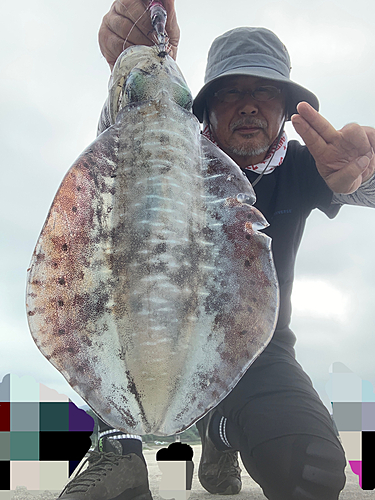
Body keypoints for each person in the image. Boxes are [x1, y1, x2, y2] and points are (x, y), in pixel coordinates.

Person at [58, 1, 375, 499]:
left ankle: (219, 432)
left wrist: (371, 172)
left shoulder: (307, 164)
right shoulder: (165, 151)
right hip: (143, 323)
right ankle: (116, 451)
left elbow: (360, 188)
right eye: (231, 93)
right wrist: (135, 66)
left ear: (286, 110)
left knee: (310, 473)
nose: (248, 104)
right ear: (203, 106)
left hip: (258, 348)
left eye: (264, 91)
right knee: (107, 302)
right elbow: (121, 130)